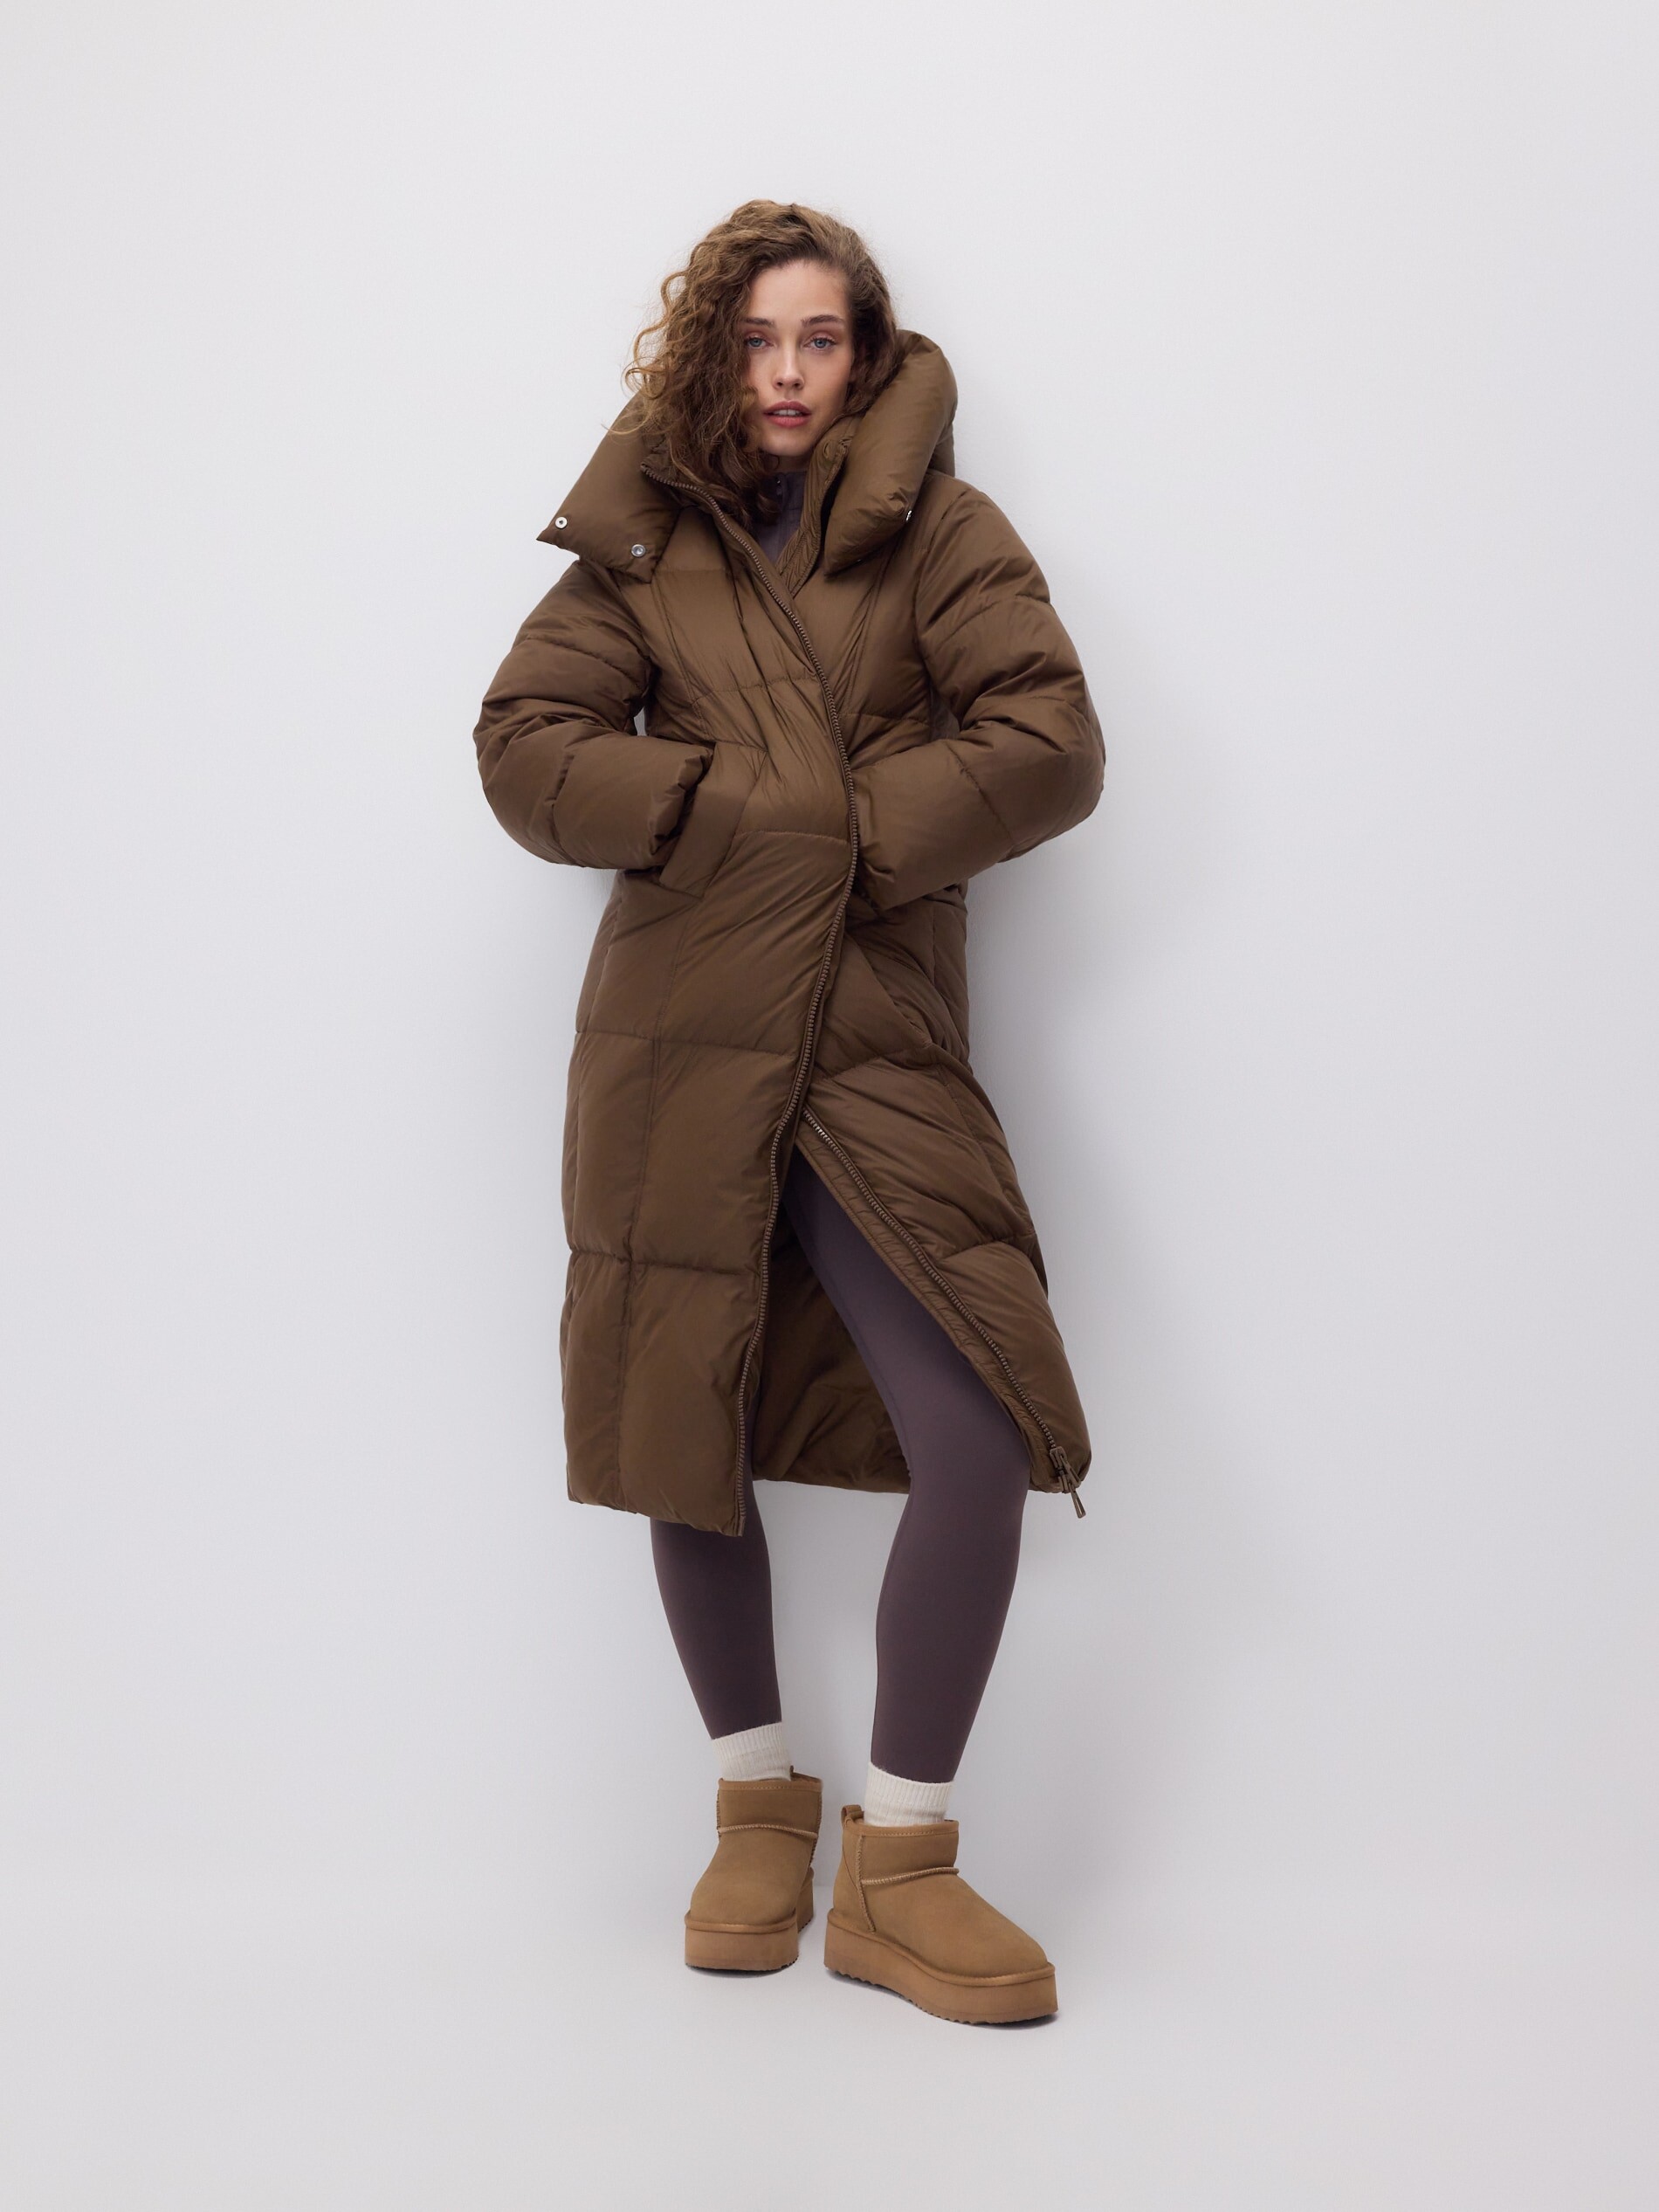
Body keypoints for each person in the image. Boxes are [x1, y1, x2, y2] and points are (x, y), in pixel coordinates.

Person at [472, 199, 1104, 2024]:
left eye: (820, 338)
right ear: (711, 351)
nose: (786, 373)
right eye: (755, 338)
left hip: (864, 1037)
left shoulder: (943, 534)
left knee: (974, 1435)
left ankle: (903, 1861)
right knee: (687, 1421)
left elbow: (1049, 742)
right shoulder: (642, 536)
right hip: (675, 1037)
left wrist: (820, 841)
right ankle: (755, 1804)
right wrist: (720, 813)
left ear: (867, 353)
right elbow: (524, 745)